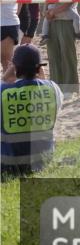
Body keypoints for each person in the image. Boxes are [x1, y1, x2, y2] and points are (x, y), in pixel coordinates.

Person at [1, 44, 63, 176]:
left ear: (14, 67)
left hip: (8, 165)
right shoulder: (54, 89)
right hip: (42, 161)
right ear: (39, 68)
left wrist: (4, 79)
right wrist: (43, 81)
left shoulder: (3, 91)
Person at [40, 0, 79, 96]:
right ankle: (56, 87)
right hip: (53, 21)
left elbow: (70, 2)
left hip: (65, 21)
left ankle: (69, 89)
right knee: (53, 55)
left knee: (67, 55)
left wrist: (52, 12)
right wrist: (46, 12)